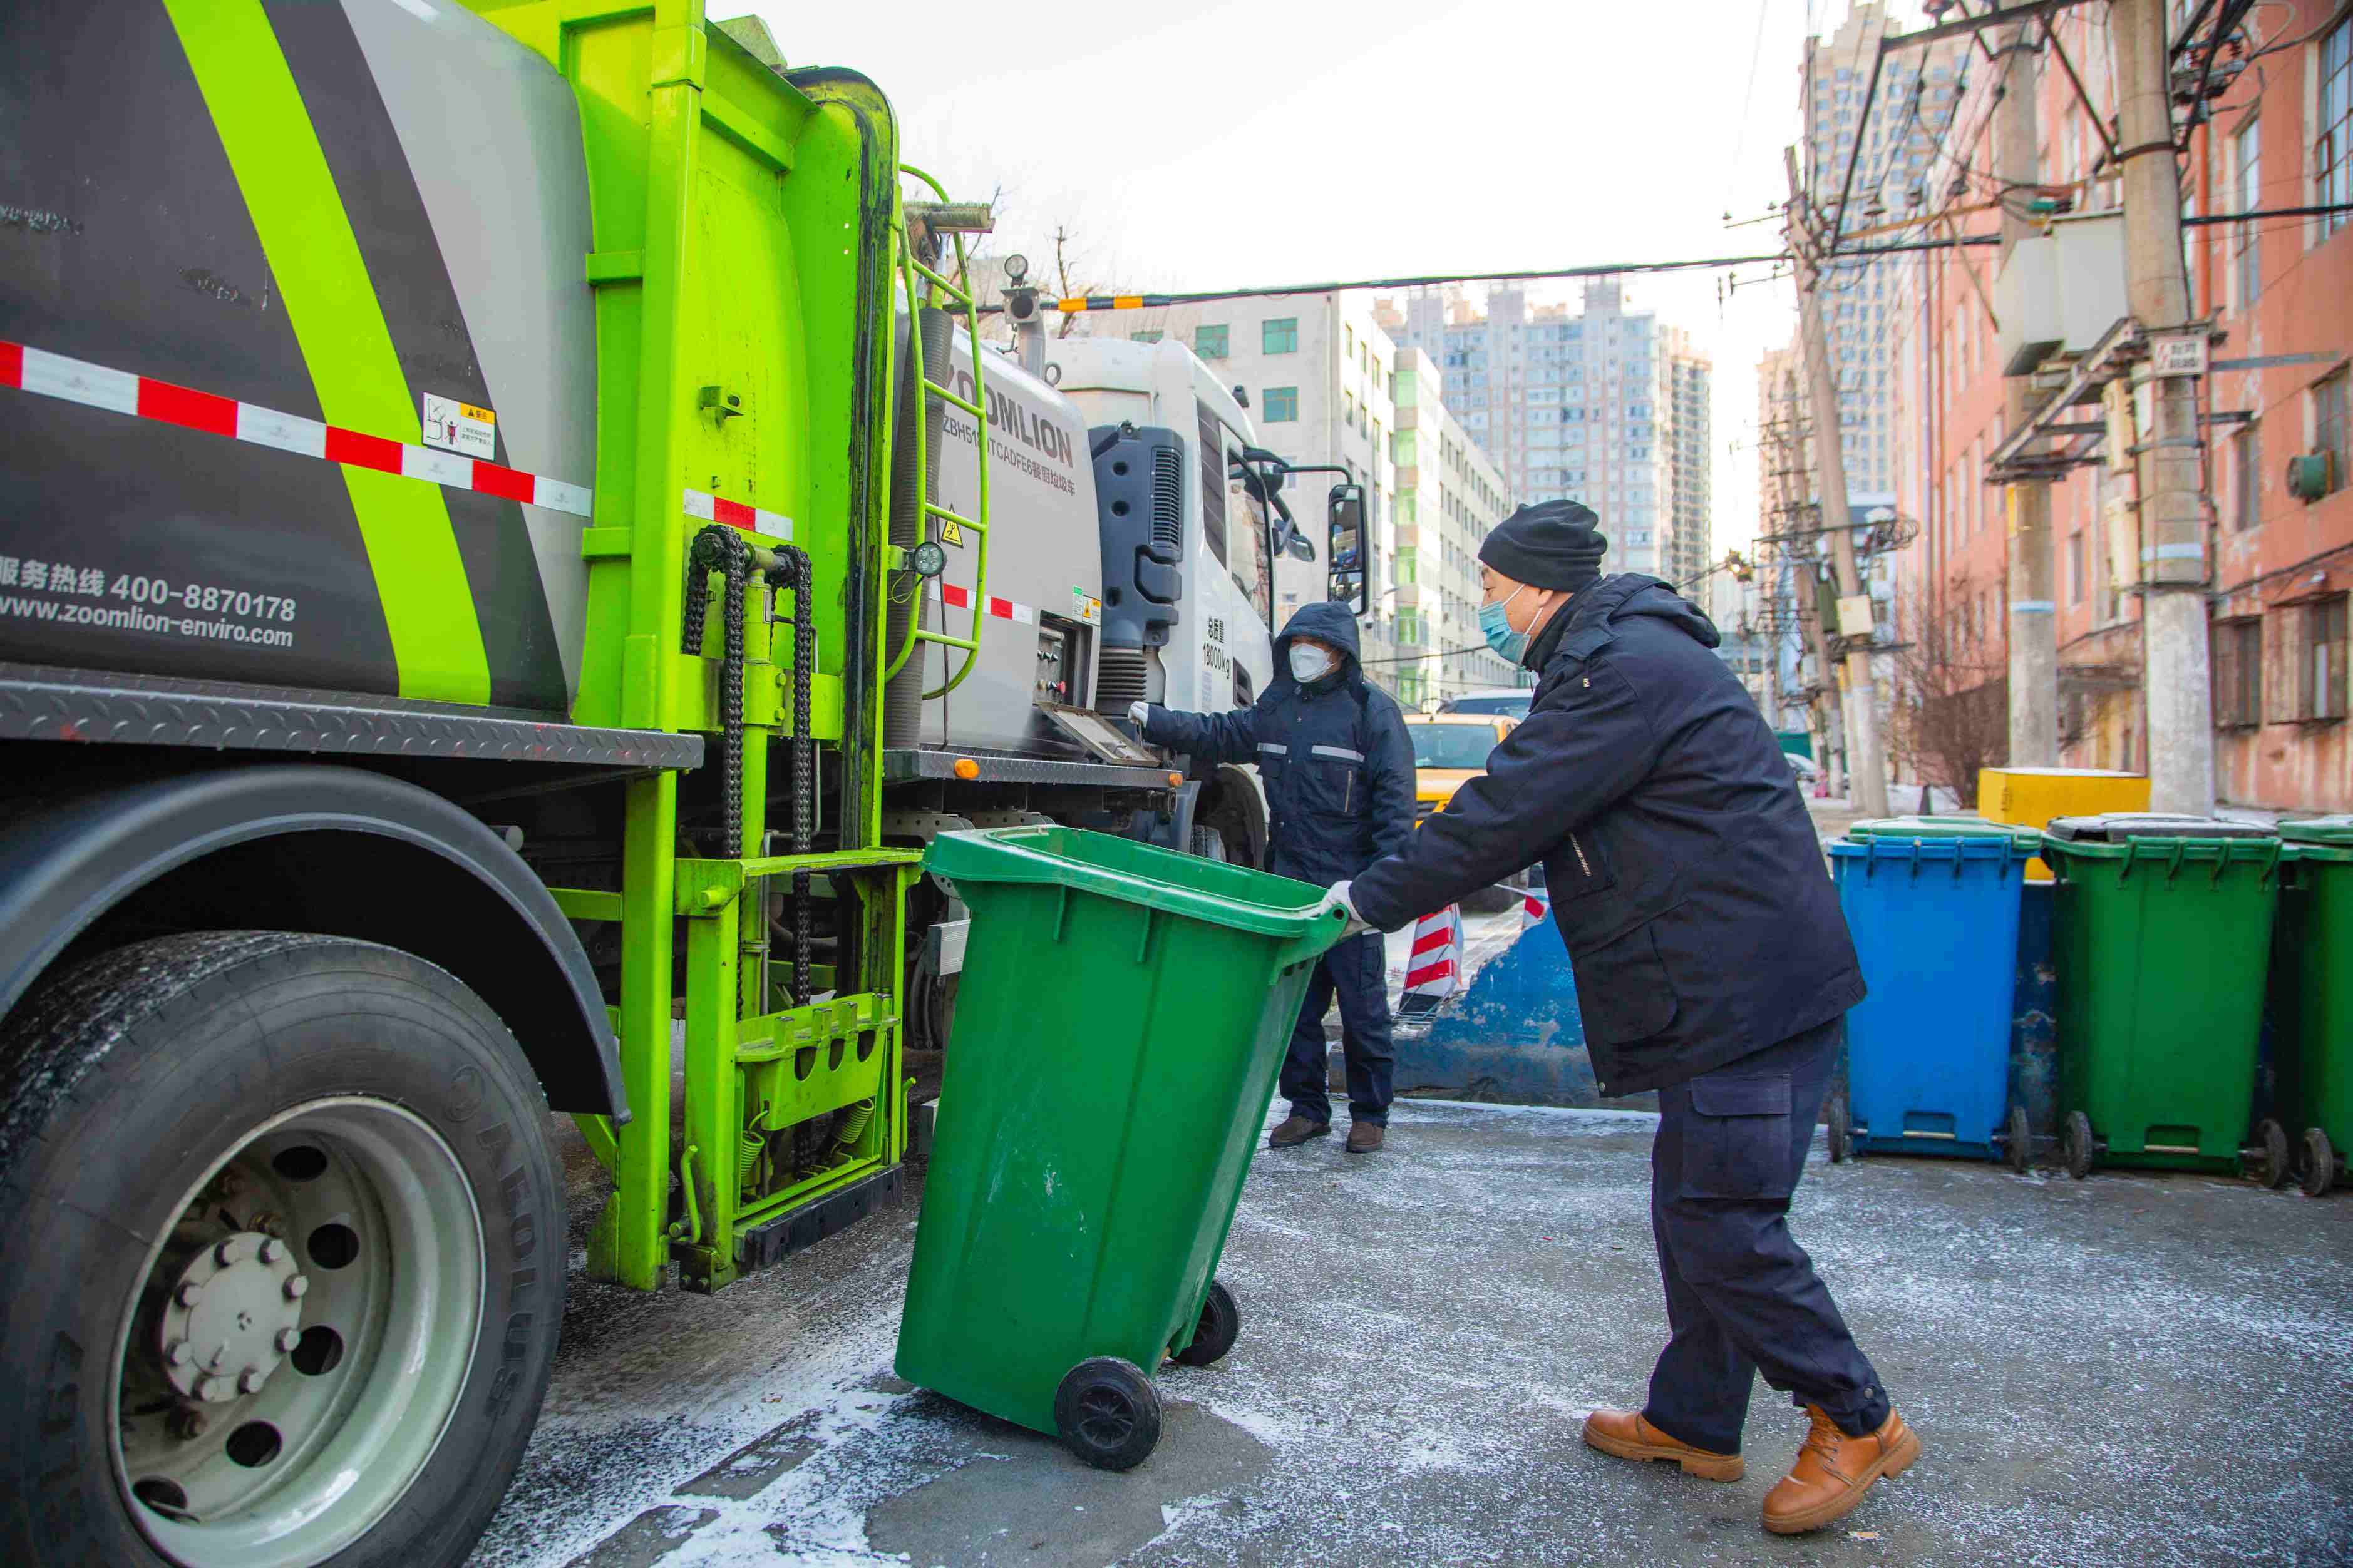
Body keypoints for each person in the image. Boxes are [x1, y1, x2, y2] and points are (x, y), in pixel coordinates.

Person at [1333, 500, 1917, 1537]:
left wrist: (1366, 899)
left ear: (1544, 587)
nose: (1487, 605)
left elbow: (1506, 807)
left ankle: (1855, 1415)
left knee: (1720, 1217)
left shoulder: (1618, 674)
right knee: (1693, 1206)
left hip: (1741, 986)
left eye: (1495, 585)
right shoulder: (1617, 661)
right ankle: (1694, 1422)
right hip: (1724, 980)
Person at [1130, 600, 1414, 1154]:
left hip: (1351, 890)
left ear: (1340, 653)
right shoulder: (1280, 706)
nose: (1306, 652)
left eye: (1318, 644)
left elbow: (1396, 808)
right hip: (1290, 884)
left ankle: (1370, 1115)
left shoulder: (1371, 712)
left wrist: (1383, 890)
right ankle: (1307, 1110)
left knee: (1363, 1011)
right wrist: (1155, 717)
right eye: (1298, 642)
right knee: (1293, 1009)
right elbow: (1221, 733)